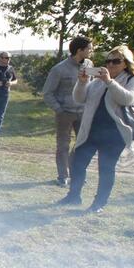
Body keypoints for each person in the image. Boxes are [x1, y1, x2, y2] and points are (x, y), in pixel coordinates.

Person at [57, 45, 134, 213]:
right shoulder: (98, 78)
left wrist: (109, 82)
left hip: (114, 134)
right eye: (108, 61)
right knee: (77, 162)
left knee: (105, 168)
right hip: (91, 129)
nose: (110, 65)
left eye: (116, 61)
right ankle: (74, 196)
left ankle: (99, 204)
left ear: (125, 63)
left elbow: (129, 99)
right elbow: (79, 99)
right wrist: (82, 83)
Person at [42, 36, 94, 187]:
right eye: (89, 48)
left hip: (83, 112)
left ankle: (77, 174)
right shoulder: (59, 69)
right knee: (63, 146)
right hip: (65, 113)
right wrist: (59, 109)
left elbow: (90, 87)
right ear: (79, 50)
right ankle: (62, 176)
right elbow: (47, 93)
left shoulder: (89, 64)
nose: (92, 51)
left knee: (82, 144)